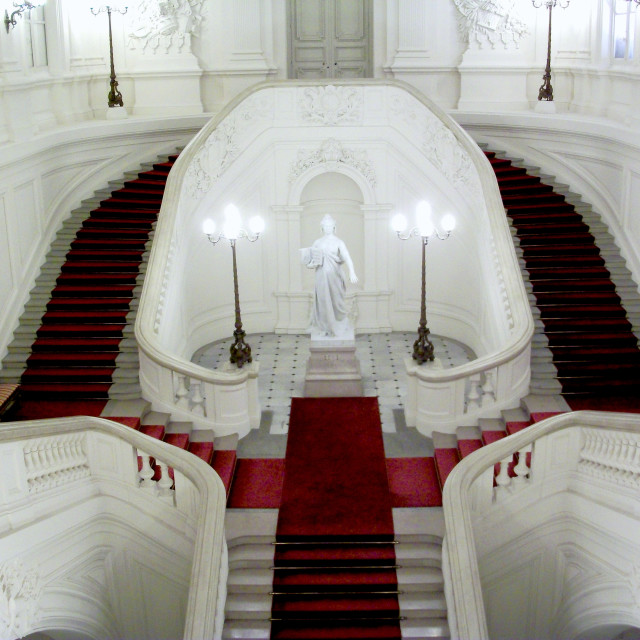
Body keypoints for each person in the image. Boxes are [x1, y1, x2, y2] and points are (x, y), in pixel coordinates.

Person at [301, 214, 358, 338]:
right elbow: (312, 261)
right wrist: (309, 263)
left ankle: (338, 324)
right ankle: (325, 326)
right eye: (325, 226)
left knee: (336, 301)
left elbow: (347, 257)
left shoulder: (338, 242)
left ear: (334, 227)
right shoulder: (317, 242)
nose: (328, 228)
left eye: (330, 226)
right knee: (322, 300)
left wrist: (352, 272)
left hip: (335, 276)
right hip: (321, 276)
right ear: (322, 228)